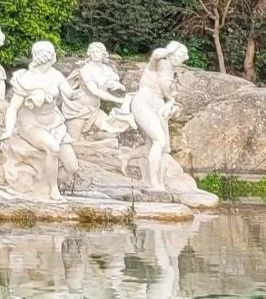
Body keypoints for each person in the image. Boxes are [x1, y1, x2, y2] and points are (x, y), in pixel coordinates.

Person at [1, 41, 82, 199]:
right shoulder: (26, 78)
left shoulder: (55, 75)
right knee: (53, 148)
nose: (52, 56)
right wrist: (9, 129)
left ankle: (44, 184)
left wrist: (76, 94)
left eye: (50, 52)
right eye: (49, 53)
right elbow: (13, 108)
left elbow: (68, 92)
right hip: (32, 125)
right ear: (41, 56)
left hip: (55, 124)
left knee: (72, 166)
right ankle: (53, 190)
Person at [122, 41, 191, 191]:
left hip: (157, 106)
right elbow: (155, 55)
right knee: (159, 140)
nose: (181, 60)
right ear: (173, 52)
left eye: (183, 57)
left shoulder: (171, 71)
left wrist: (173, 107)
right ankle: (154, 184)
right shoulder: (159, 62)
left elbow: (169, 98)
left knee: (152, 146)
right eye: (180, 55)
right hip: (144, 102)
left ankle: (126, 158)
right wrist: (168, 50)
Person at [70, 41, 128, 139]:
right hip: (80, 108)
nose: (94, 54)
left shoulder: (107, 69)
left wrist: (117, 85)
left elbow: (115, 83)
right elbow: (95, 91)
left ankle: (92, 138)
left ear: (103, 54)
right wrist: (117, 100)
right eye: (92, 52)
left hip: (95, 108)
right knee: (74, 140)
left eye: (97, 51)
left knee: (112, 132)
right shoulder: (86, 70)